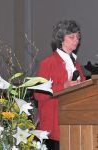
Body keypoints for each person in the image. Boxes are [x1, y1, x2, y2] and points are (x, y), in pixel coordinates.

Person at [34, 20, 86, 150]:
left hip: (73, 124)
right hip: (54, 128)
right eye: (72, 37)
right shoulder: (48, 63)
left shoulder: (76, 65)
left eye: (78, 37)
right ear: (61, 38)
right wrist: (63, 86)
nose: (76, 40)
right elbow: (38, 94)